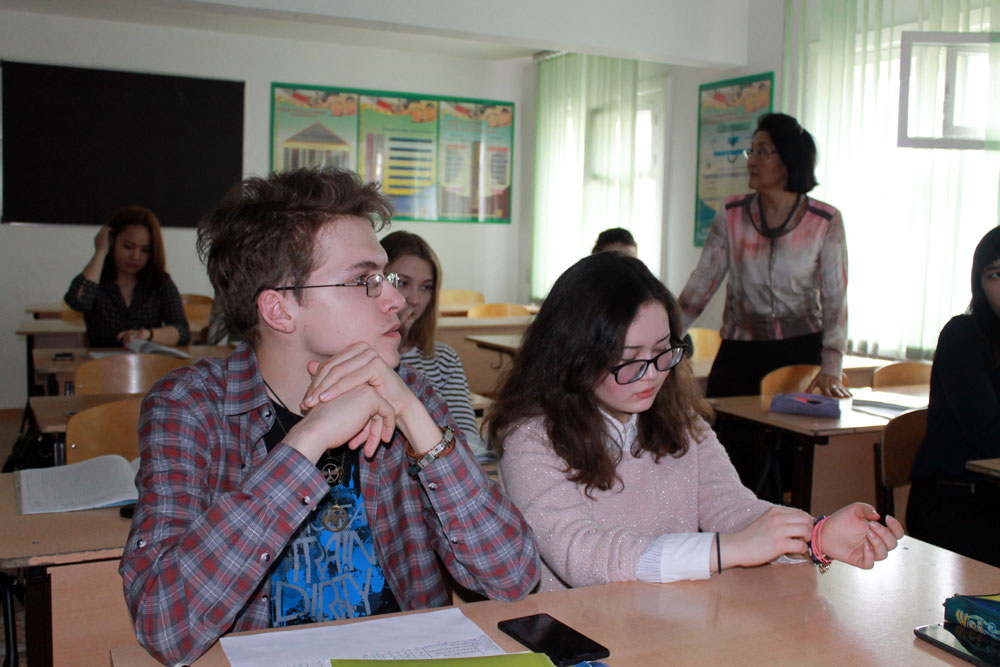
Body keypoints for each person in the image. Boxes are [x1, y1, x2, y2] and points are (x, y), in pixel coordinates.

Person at [119, 168, 539, 665]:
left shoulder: (409, 391)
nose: (397, 299)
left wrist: (413, 416)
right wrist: (309, 439)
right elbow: (165, 626)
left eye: (384, 277)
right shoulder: (191, 406)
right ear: (280, 310)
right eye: (365, 280)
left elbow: (511, 578)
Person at [487, 252, 903, 592]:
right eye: (629, 359)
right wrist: (724, 550)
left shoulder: (681, 422)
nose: (652, 374)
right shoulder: (529, 437)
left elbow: (736, 511)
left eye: (662, 351)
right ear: (573, 356)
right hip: (577, 635)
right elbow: (581, 554)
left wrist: (817, 537)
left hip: (672, 622)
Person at [678, 113, 849, 399]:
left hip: (800, 351)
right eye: (751, 151)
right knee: (722, 422)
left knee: (790, 427)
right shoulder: (732, 214)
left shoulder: (824, 221)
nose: (751, 161)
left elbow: (835, 299)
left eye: (762, 151)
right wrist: (665, 343)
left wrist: (832, 363)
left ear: (789, 160)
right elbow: (702, 284)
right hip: (741, 348)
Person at [907, 226, 1000, 567]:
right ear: (979, 284)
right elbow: (989, 436)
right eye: (995, 275)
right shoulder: (962, 336)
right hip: (956, 500)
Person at [380, 231, 490, 461]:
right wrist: (392, 346)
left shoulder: (444, 359)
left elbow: (465, 437)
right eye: (403, 283)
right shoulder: (360, 355)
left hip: (437, 471)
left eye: (426, 287)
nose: (415, 298)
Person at [64, 206, 190, 348]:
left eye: (145, 250)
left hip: (146, 359)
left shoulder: (160, 282)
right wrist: (100, 251)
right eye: (128, 247)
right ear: (112, 242)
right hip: (103, 360)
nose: (135, 256)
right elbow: (77, 302)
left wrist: (147, 335)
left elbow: (182, 332)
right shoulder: (95, 280)